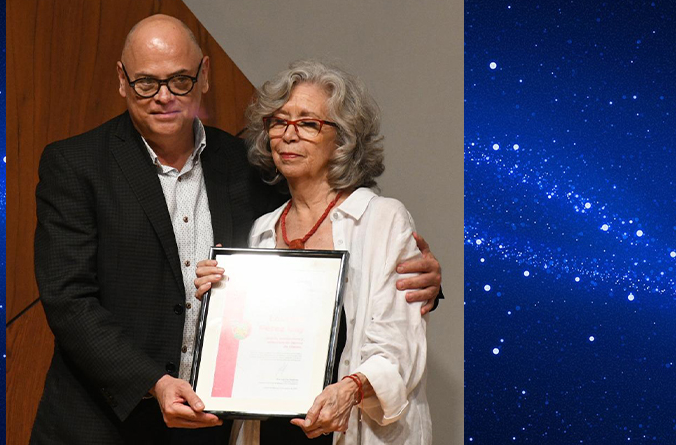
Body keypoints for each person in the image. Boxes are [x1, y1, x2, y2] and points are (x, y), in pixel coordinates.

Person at [31, 15, 440, 445]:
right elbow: (69, 301)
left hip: (216, 429)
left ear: (204, 76)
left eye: (181, 80)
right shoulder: (76, 165)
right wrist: (155, 381)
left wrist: (420, 277)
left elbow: (343, 237)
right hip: (103, 425)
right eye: (146, 83)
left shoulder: (247, 167)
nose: (164, 97)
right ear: (122, 79)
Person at [195, 60, 432, 444]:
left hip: (352, 427)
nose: (289, 135)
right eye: (278, 121)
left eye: (308, 123)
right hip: (272, 432)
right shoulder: (264, 230)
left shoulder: (381, 220)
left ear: (343, 139)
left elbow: (399, 347)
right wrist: (221, 302)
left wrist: (352, 388)